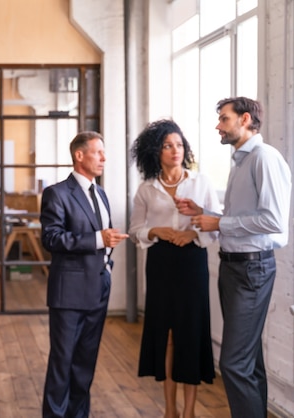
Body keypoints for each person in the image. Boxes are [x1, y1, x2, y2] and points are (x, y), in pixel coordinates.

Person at [175, 97, 291, 418]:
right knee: (248, 360)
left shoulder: (264, 159)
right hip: (235, 268)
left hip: (251, 270)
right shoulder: (241, 162)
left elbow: (274, 221)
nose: (218, 126)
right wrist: (206, 214)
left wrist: (219, 223)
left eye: (223, 119)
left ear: (244, 120)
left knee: (233, 363)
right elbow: (241, 218)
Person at [128, 119, 219, 418]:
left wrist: (193, 234)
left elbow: (215, 226)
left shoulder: (200, 182)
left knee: (190, 334)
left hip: (192, 261)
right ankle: (170, 409)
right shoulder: (146, 189)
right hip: (161, 263)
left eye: (179, 145)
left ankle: (190, 410)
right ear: (156, 151)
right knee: (166, 334)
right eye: (168, 145)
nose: (175, 150)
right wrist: (158, 232)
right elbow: (136, 230)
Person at [40, 131, 129, 417]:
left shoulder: (100, 193)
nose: (104, 158)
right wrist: (99, 239)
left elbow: (102, 235)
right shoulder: (57, 193)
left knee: (85, 364)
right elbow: (51, 238)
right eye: (98, 152)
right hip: (68, 294)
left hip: (99, 287)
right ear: (80, 155)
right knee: (62, 363)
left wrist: (107, 256)